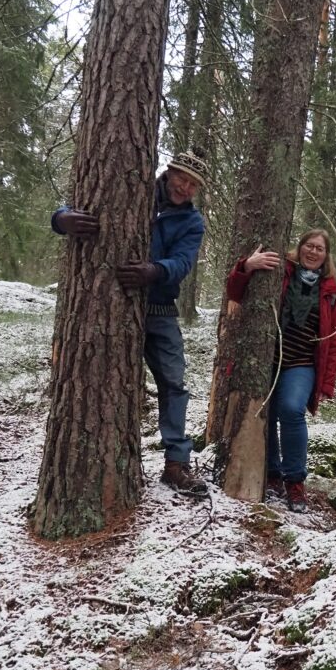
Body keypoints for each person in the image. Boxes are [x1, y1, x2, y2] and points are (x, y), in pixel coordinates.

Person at [51, 150, 209, 495]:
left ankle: (176, 464)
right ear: (168, 172)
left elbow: (182, 262)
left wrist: (155, 271)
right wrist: (62, 220)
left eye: (193, 184)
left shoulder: (192, 222)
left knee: (174, 383)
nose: (185, 187)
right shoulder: (132, 189)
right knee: (97, 378)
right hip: (108, 302)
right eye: (181, 178)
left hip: (159, 308)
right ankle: (85, 457)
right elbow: (73, 207)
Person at [225, 229, 336, 513]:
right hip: (266, 360)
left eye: (319, 249)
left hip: (301, 364)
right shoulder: (281, 271)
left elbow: (334, 337)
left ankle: (295, 481)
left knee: (290, 410)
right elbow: (235, 292)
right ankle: (273, 473)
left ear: (326, 256)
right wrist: (246, 266)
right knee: (266, 411)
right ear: (299, 248)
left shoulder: (328, 290)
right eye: (309, 246)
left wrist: (327, 382)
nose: (313, 252)